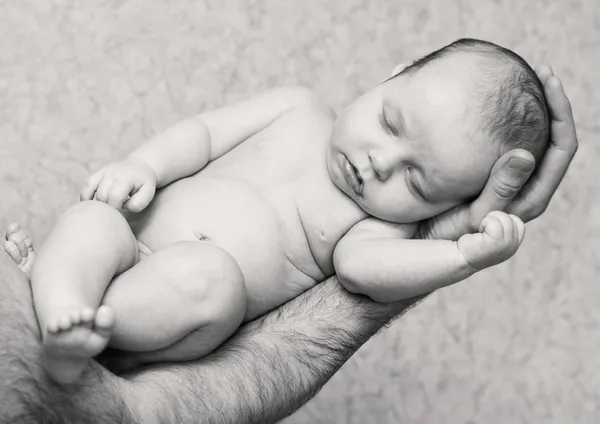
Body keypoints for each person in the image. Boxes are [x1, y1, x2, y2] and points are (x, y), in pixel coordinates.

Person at [0, 60, 577, 423]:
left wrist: (457, 255)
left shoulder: (377, 229)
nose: (380, 161)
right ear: (390, 75)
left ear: (445, 207)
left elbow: (365, 274)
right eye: (391, 123)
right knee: (96, 221)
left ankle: (85, 336)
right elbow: (205, 133)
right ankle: (57, 309)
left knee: (211, 279)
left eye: (416, 179)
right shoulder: (297, 107)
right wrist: (143, 165)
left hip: (164, 313)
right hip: (129, 241)